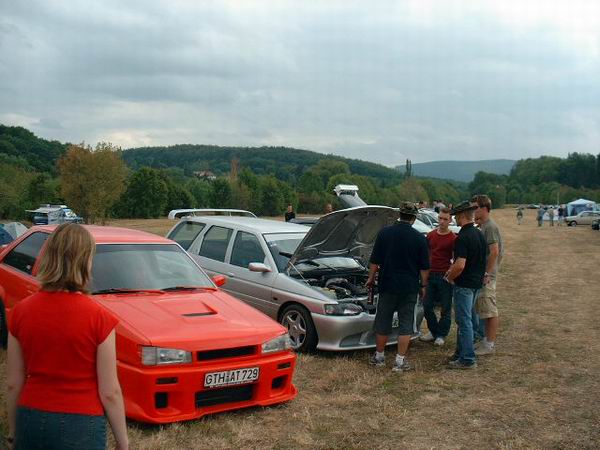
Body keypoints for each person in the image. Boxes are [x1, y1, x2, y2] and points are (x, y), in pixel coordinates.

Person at [6, 223, 129, 450]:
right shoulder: (100, 318)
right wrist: (123, 442)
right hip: (82, 422)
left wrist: (13, 431)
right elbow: (110, 392)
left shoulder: (20, 312)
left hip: (31, 417)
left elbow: (13, 383)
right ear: (85, 262)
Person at [367, 202, 430, 373]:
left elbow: (374, 261)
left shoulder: (384, 234)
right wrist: (424, 285)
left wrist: (371, 279)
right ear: (414, 218)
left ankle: (379, 357)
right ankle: (399, 362)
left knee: (383, 320)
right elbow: (424, 268)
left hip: (387, 284)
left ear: (399, 215)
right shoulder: (420, 239)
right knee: (406, 323)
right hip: (409, 287)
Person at [443, 201, 488, 369]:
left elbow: (460, 264)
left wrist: (450, 277)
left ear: (462, 216)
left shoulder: (462, 237)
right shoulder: (479, 235)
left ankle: (467, 358)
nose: (454, 219)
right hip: (476, 283)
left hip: (464, 284)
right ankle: (460, 353)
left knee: (464, 322)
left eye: (455, 216)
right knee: (467, 320)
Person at [471, 195, 504, 356]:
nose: (473, 211)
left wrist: (487, 273)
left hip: (487, 276)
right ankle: (484, 340)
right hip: (484, 274)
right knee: (483, 309)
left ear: (484, 209)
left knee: (490, 310)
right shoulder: (482, 226)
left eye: (475, 207)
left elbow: (495, 251)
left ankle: (489, 344)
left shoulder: (490, 227)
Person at [421, 207, 456, 346]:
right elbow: (425, 255)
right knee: (427, 305)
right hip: (430, 275)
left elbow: (456, 258)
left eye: (445, 219)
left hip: (444, 276)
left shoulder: (453, 238)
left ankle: (441, 334)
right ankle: (434, 331)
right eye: (440, 218)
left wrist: (452, 273)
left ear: (450, 221)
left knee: (445, 308)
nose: (441, 221)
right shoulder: (430, 235)